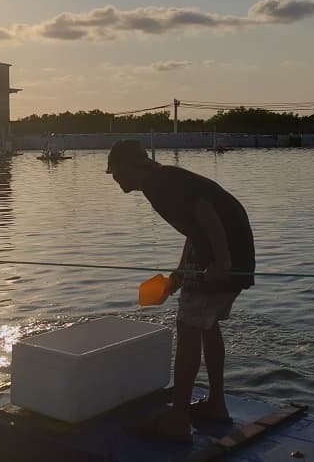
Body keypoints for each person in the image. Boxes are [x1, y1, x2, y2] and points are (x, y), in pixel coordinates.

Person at [106, 139, 255, 443]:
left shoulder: (159, 184)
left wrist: (222, 260)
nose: (113, 177)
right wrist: (180, 272)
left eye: (115, 171)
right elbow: (194, 227)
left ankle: (178, 421)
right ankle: (216, 404)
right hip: (232, 252)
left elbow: (206, 212)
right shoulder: (162, 180)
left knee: (187, 326)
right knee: (207, 325)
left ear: (130, 166)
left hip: (227, 256)